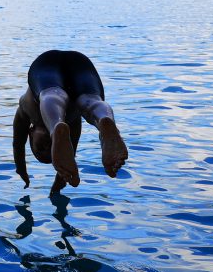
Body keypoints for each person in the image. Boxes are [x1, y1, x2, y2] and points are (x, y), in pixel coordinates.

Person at [12, 50, 128, 194]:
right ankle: (105, 120)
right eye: (52, 148)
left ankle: (55, 126)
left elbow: (18, 144)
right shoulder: (71, 126)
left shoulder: (26, 111)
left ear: (30, 133)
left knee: (52, 95)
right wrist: (58, 186)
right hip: (81, 65)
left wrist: (21, 170)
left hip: (47, 64)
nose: (49, 146)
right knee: (90, 101)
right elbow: (68, 159)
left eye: (42, 147)